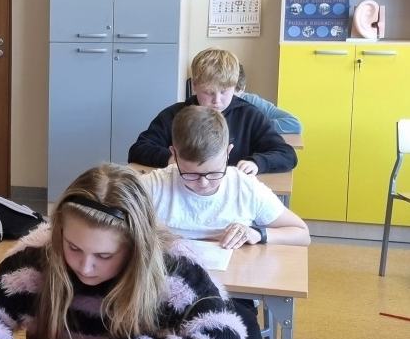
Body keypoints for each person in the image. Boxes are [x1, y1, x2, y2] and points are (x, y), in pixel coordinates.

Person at [0, 162, 258, 339]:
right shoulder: (38, 259)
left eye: (104, 256)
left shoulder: (174, 273)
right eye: (73, 247)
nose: (85, 267)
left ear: (137, 248)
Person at [140, 105, 311, 249]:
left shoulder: (245, 188)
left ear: (228, 153)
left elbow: (302, 234)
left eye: (214, 173)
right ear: (174, 154)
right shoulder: (153, 187)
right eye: (191, 173)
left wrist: (258, 233)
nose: (203, 183)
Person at [128, 48, 297, 175]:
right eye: (208, 92)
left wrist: (257, 163)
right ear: (195, 86)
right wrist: (172, 159)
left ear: (235, 87)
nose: (217, 100)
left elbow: (287, 154)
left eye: (224, 92)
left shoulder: (249, 116)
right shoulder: (174, 115)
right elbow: (138, 149)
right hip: (184, 189)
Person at [235, 64, 302, 135]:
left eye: (233, 96)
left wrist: (254, 126)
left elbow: (294, 124)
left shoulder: (250, 100)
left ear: (243, 89)